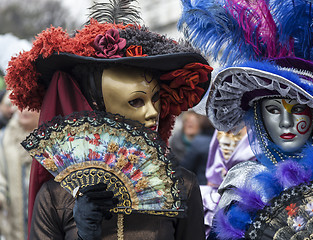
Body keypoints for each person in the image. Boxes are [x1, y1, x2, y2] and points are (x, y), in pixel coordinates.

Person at [5, 1, 212, 239]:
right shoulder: (55, 198)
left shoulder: (182, 187)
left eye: (155, 99)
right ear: (99, 108)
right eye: (135, 101)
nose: (153, 112)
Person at [179, 0, 313, 239]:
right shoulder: (244, 186)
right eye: (273, 110)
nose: (285, 122)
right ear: (258, 116)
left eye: (297, 109)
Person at [0, 109, 40, 240]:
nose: (24, 110)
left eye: (30, 105)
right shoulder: (3, 138)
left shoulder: (54, 141)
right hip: (11, 230)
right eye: (20, 104)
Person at [180, 115, 214, 185]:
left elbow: (185, 169)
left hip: (202, 187)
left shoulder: (199, 142)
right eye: (187, 122)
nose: (189, 124)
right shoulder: (175, 142)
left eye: (193, 122)